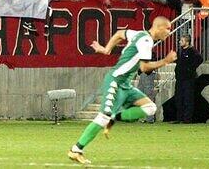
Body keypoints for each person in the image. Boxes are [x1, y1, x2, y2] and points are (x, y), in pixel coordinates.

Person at [68, 16, 176, 165]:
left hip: (126, 84)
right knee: (103, 116)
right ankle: (76, 150)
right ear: (158, 27)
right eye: (168, 28)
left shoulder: (138, 34)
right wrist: (165, 61)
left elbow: (120, 33)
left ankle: (115, 117)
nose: (169, 32)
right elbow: (144, 68)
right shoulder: (146, 41)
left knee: (150, 108)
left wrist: (106, 49)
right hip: (115, 81)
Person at [174, 34, 203, 123]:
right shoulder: (180, 51)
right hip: (179, 78)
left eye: (182, 41)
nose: (180, 42)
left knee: (188, 99)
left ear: (187, 42)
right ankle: (179, 118)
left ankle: (187, 119)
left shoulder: (192, 51)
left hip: (188, 79)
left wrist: (190, 68)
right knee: (179, 98)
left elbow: (200, 59)